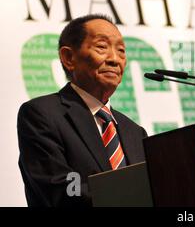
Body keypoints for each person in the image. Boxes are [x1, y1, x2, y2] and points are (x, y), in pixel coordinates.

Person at [17, 14, 148, 207]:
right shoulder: (42, 114)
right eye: (102, 47)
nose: (114, 59)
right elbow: (62, 189)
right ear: (68, 57)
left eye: (121, 50)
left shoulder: (135, 132)